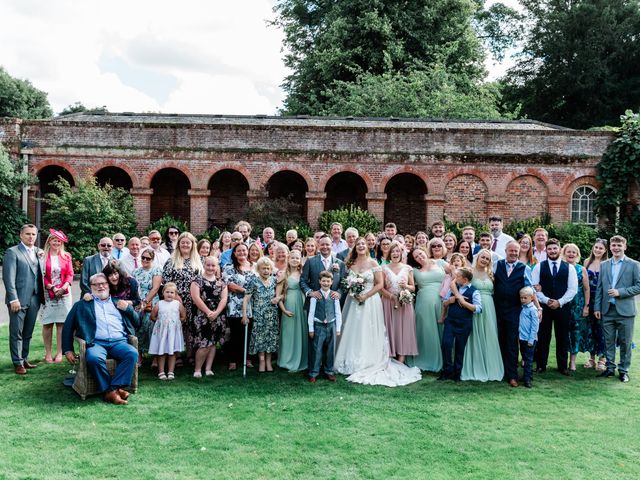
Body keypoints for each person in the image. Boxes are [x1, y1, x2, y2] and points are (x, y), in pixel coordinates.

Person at [334, 237, 421, 386]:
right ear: (355, 247)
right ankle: (350, 359)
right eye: (358, 244)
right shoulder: (351, 263)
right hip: (353, 301)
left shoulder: (374, 263)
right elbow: (347, 282)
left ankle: (369, 360)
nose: (361, 246)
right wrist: (354, 292)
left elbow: (380, 284)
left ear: (368, 247)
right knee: (352, 330)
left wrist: (366, 295)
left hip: (370, 301)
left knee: (368, 329)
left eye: (363, 244)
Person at [62, 273, 139, 404]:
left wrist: (129, 309)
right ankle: (114, 390)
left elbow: (137, 322)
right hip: (96, 343)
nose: (100, 286)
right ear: (91, 287)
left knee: (132, 353)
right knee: (93, 358)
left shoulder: (118, 303)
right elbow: (68, 327)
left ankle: (111, 390)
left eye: (103, 283)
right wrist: (68, 349)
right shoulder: (82, 305)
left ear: (108, 285)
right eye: (96, 284)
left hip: (119, 341)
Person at [493, 240, 539, 387]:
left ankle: (512, 375)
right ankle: (501, 371)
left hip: (514, 310)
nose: (513, 253)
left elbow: (530, 290)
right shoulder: (497, 265)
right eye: (510, 250)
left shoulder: (524, 268)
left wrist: (538, 308)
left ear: (519, 252)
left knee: (512, 342)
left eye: (515, 251)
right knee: (499, 341)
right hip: (498, 309)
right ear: (505, 251)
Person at [594, 235, 640, 383]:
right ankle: (609, 368)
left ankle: (623, 371)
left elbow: (638, 286)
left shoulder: (634, 264)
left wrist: (620, 292)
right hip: (607, 310)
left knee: (625, 343)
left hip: (626, 311)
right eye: (614, 245)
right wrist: (597, 307)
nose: (616, 248)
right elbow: (600, 288)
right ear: (610, 248)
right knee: (608, 341)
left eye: (619, 245)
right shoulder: (604, 264)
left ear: (625, 247)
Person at [531, 238, 577, 375]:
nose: (552, 251)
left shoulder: (569, 267)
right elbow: (534, 287)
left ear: (559, 249)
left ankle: (562, 366)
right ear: (546, 250)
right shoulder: (539, 266)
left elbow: (572, 289)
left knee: (562, 336)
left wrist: (559, 302)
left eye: (554, 248)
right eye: (549, 249)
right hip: (544, 307)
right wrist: (545, 300)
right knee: (543, 336)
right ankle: (541, 365)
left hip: (563, 307)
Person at [3, 224, 45, 374]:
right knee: (17, 332)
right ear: (21, 235)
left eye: (33, 234)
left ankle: (24, 358)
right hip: (18, 299)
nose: (31, 237)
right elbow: (8, 278)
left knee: (28, 331)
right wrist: (13, 299)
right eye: (28, 234)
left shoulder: (38, 252)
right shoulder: (12, 252)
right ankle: (17, 362)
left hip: (35, 297)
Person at [461, 249, 504, 382]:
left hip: (489, 307)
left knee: (489, 333)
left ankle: (491, 366)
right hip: (474, 306)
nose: (484, 260)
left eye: (487, 258)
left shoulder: (490, 274)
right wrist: (460, 299)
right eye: (482, 257)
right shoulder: (469, 272)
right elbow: (458, 286)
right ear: (477, 257)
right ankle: (475, 365)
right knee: (474, 334)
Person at [162, 232, 203, 359]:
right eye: (183, 242)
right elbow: (166, 280)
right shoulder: (171, 261)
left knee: (192, 326)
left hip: (194, 299)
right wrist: (176, 296)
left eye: (188, 242)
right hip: (176, 298)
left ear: (192, 245)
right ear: (179, 244)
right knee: (177, 326)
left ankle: (191, 355)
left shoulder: (199, 260)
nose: (185, 245)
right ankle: (177, 355)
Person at [439, 267, 482, 381]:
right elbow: (444, 303)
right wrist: (450, 300)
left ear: (465, 279)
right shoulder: (453, 289)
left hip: (464, 324)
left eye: (457, 276)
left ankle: (457, 374)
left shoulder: (474, 291)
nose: (455, 278)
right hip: (451, 322)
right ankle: (447, 371)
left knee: (460, 348)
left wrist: (464, 302)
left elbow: (478, 309)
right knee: (446, 345)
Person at [406, 246, 445, 372]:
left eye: (420, 253)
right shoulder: (414, 270)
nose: (420, 257)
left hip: (442, 301)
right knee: (426, 329)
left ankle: (445, 360)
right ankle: (426, 358)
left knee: (442, 328)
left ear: (425, 252)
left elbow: (455, 273)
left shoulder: (440, 262)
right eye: (416, 256)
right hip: (424, 303)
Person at [190, 256, 228, 378]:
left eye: (213, 265)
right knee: (204, 343)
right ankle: (197, 370)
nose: (211, 267)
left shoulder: (222, 282)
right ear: (204, 265)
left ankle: (208, 369)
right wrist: (208, 312)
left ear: (217, 267)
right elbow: (196, 298)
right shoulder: (196, 281)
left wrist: (216, 312)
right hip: (202, 315)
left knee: (212, 343)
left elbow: (224, 298)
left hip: (218, 315)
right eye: (208, 265)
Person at [380, 242, 418, 364]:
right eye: (393, 251)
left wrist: (405, 286)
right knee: (389, 328)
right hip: (388, 302)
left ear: (401, 253)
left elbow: (413, 287)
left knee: (403, 329)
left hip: (404, 303)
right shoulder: (384, 268)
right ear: (389, 254)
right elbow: (381, 287)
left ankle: (401, 360)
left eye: (397, 251)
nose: (395, 253)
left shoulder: (408, 268)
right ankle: (389, 358)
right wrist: (392, 296)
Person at [41, 229, 74, 363]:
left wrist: (64, 286)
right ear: (49, 241)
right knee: (47, 323)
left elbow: (70, 273)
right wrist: (52, 287)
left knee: (61, 324)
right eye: (54, 240)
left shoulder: (66, 256)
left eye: (59, 241)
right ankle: (48, 353)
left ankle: (60, 352)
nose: (57, 243)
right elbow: (40, 275)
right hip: (47, 292)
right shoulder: (42, 256)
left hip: (64, 293)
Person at [242, 257, 279, 372]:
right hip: (259, 316)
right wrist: (244, 315)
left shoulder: (274, 281)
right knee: (260, 339)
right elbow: (246, 299)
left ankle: (268, 361)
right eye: (263, 268)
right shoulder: (254, 281)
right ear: (258, 269)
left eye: (268, 268)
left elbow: (283, 293)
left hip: (272, 315)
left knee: (270, 338)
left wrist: (278, 298)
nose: (266, 271)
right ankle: (262, 361)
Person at [222, 242, 255, 371]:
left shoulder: (254, 266)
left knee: (248, 332)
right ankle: (233, 360)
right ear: (234, 253)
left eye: (244, 250)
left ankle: (246, 358)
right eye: (239, 251)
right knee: (236, 333)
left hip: (251, 305)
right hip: (235, 304)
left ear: (247, 252)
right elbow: (229, 284)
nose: (242, 253)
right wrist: (245, 291)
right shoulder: (229, 267)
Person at [307, 270, 342, 382]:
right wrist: (311, 328)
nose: (325, 283)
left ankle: (329, 371)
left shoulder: (334, 296)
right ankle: (314, 372)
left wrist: (338, 328)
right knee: (317, 350)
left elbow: (338, 313)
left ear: (331, 282)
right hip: (319, 326)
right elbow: (311, 313)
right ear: (319, 281)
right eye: (323, 281)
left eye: (328, 281)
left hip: (331, 325)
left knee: (330, 350)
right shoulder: (315, 296)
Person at [277, 250, 308, 372]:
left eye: (297, 258)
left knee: (302, 331)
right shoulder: (283, 274)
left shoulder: (303, 273)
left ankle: (302, 359)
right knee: (289, 331)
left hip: (302, 303)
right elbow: (278, 295)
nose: (295, 260)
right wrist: (284, 310)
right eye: (293, 258)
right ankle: (287, 360)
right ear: (288, 259)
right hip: (289, 303)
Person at [149, 282, 186, 381]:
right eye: (167, 292)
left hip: (173, 332)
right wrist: (161, 323)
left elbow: (183, 316)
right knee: (161, 352)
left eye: (172, 292)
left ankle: (171, 371)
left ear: (175, 294)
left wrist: (174, 323)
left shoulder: (177, 304)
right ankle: (161, 372)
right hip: (161, 331)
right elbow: (152, 316)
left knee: (172, 351)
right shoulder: (159, 304)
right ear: (163, 293)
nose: (169, 294)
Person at [563, 243, 591, 372]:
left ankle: (572, 361)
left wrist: (586, 306)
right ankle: (562, 360)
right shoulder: (561, 267)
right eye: (569, 251)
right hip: (563, 305)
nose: (571, 254)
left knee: (575, 333)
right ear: (564, 253)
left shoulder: (581, 269)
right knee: (563, 333)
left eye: (574, 252)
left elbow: (586, 289)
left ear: (577, 255)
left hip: (578, 306)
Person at [132, 248, 162, 363]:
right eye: (143, 257)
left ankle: (155, 357)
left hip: (151, 302)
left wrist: (145, 302)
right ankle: (139, 356)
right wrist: (137, 302)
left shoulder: (156, 270)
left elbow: (155, 288)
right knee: (137, 327)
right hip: (137, 302)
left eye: (148, 258)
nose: (145, 260)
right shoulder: (136, 271)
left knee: (151, 327)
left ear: (152, 259)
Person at [583, 239, 608, 370]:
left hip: (602, 301)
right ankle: (591, 358)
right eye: (596, 247)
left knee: (602, 330)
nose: (597, 250)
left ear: (605, 251)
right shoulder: (587, 262)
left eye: (601, 248)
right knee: (590, 330)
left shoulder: (607, 264)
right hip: (589, 300)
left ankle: (602, 360)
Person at [301, 235, 346, 305]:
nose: (325, 247)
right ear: (318, 246)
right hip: (314, 302)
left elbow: (344, 282)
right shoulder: (310, 261)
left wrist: (339, 293)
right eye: (322, 244)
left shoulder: (340, 263)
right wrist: (310, 292)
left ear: (331, 245)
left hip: (334, 303)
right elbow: (303, 280)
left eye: (327, 244)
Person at [519, 287, 539, 388]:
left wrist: (531, 339)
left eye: (525, 298)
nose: (522, 300)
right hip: (522, 338)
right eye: (521, 298)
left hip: (529, 339)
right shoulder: (522, 308)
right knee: (524, 357)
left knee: (528, 360)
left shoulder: (533, 310)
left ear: (531, 298)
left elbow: (535, 326)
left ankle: (527, 379)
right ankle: (528, 375)